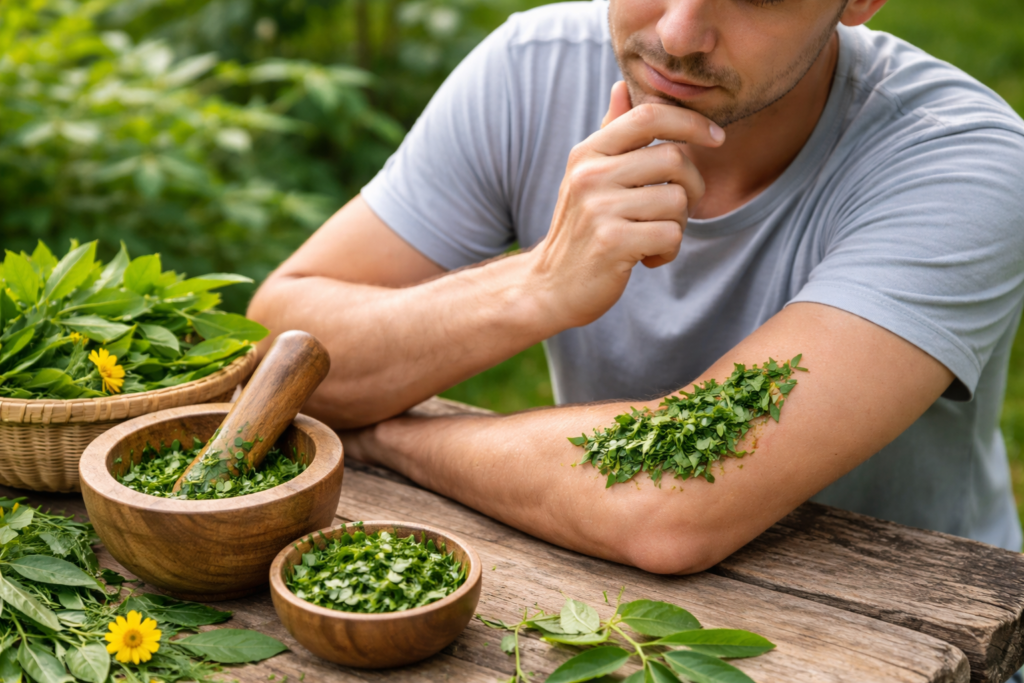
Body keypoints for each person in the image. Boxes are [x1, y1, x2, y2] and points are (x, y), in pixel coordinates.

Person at [248, 0, 1024, 578]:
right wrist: (535, 284)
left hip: (910, 632)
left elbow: (673, 499)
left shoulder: (962, 163)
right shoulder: (532, 67)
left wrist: (389, 437)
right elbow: (278, 349)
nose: (679, 35)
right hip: (595, 601)